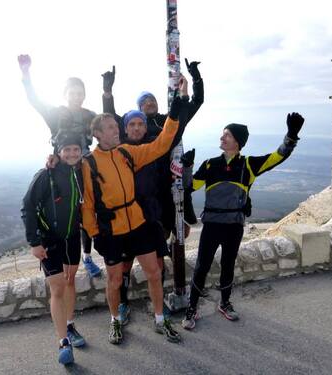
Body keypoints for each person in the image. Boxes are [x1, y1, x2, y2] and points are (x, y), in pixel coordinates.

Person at [81, 96, 189, 345]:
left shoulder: (126, 152)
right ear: (97, 134)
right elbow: (87, 204)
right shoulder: (90, 163)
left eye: (115, 126)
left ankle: (161, 320)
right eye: (110, 127)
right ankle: (115, 321)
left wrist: (173, 115)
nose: (116, 130)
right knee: (115, 280)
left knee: (154, 272)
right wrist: (94, 233)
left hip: (139, 223)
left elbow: (161, 145)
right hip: (112, 229)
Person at [182, 113, 305, 330]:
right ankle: (192, 308)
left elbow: (277, 156)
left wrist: (291, 136)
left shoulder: (249, 165)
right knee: (201, 267)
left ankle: (225, 303)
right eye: (222, 134)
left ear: (237, 142)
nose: (222, 138)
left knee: (228, 265)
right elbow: (190, 187)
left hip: (234, 226)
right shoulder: (210, 165)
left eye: (226, 135)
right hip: (212, 225)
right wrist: (188, 167)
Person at [18, 54, 100, 278]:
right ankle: (57, 252)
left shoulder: (90, 116)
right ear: (65, 94)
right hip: (62, 166)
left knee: (87, 207)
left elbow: (107, 128)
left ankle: (87, 256)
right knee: (66, 211)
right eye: (72, 93)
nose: (76, 97)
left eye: (80, 93)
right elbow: (35, 101)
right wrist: (26, 75)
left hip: (83, 165)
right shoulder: (56, 114)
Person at [101, 59, 203, 237]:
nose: (150, 103)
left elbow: (195, 103)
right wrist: (107, 93)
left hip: (168, 181)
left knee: (174, 231)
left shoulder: (168, 119)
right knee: (149, 230)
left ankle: (169, 259)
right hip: (143, 185)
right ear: (138, 107)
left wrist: (195, 80)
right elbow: (110, 117)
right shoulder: (132, 124)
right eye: (145, 101)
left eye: (153, 100)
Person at [116, 107, 192, 325]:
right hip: (126, 216)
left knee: (157, 266)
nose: (137, 128)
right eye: (132, 124)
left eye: (140, 124)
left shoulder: (156, 148)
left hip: (152, 215)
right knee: (124, 266)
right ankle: (123, 304)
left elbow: (173, 182)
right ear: (126, 128)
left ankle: (159, 308)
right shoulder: (118, 151)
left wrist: (183, 102)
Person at [20, 134, 87, 365]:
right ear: (58, 152)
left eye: (75, 149)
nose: (71, 153)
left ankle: (70, 326)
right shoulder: (45, 174)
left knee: (69, 280)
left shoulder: (79, 172)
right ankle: (63, 342)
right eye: (66, 149)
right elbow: (27, 208)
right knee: (57, 287)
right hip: (48, 239)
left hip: (71, 237)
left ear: (81, 151)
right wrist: (34, 242)